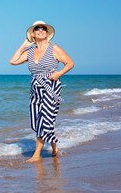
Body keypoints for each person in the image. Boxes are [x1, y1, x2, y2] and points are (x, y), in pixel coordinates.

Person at [9, 20, 74, 162]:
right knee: (36, 122)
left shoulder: (54, 48)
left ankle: (36, 155)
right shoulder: (30, 51)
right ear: (33, 33)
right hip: (35, 89)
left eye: (43, 28)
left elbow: (70, 63)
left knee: (44, 119)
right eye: (37, 29)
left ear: (46, 33)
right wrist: (24, 45)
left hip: (51, 87)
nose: (40, 30)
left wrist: (58, 74)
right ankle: (54, 145)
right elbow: (13, 61)